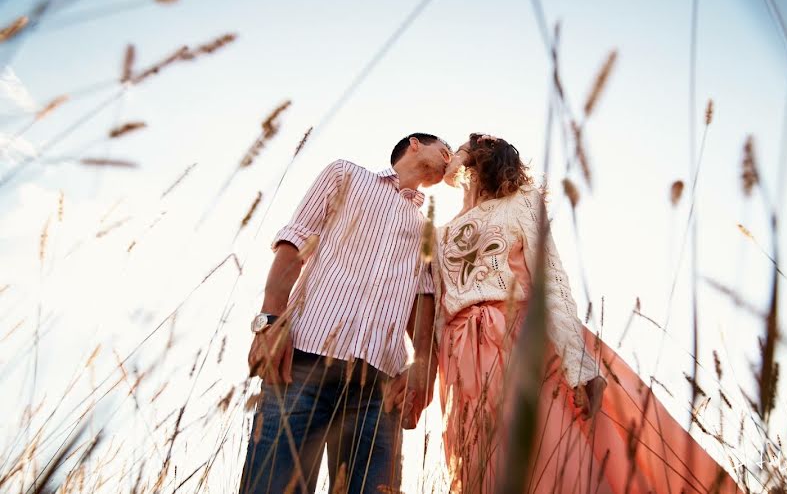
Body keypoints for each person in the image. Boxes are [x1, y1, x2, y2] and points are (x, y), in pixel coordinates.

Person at [422, 133, 742, 493]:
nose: (454, 152)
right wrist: (429, 376)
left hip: (518, 344)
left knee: (552, 463)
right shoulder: (440, 233)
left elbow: (551, 281)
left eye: (463, 146)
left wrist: (579, 366)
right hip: (461, 363)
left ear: (479, 157)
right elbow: (436, 311)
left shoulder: (520, 202)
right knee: (482, 472)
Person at [239, 133, 451, 494]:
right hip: (302, 365)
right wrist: (269, 320)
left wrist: (422, 371)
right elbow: (296, 240)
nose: (449, 160)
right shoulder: (346, 175)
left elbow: (423, 300)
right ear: (414, 144)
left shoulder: (429, 230)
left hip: (378, 392)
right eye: (444, 150)